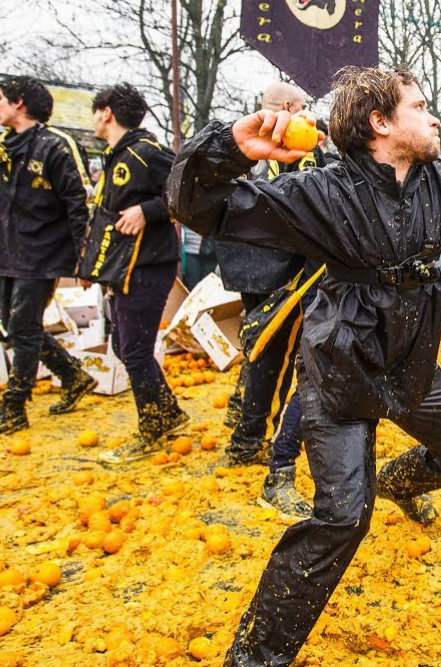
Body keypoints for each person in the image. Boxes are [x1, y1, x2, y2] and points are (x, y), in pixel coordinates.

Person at [166, 65, 441, 667]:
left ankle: (401, 486)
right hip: (340, 377)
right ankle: (253, 658)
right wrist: (230, 148)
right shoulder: (322, 192)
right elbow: (202, 207)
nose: (435, 117)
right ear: (380, 123)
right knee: (342, 519)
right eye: (421, 105)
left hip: (413, 368)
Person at [66, 84, 189, 463]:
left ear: (106, 113)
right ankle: (167, 412)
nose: (94, 119)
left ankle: (152, 425)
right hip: (122, 267)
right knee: (124, 345)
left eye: (94, 112)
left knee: (134, 350)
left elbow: (185, 194)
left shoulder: (147, 152)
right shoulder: (114, 156)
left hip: (150, 265)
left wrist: (148, 211)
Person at [215, 81, 325, 469]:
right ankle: (250, 441)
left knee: (261, 349)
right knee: (274, 359)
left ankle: (244, 425)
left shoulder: (246, 152)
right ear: (291, 107)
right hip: (283, 274)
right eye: (306, 105)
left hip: (259, 269)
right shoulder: (280, 152)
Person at [0, 76, 96, 434]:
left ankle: (14, 405)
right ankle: (72, 375)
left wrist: (85, 257)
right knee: (12, 327)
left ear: (19, 102)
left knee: (23, 327)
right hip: (7, 249)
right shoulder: (5, 145)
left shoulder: (56, 146)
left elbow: (78, 203)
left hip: (42, 252)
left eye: (1, 99)